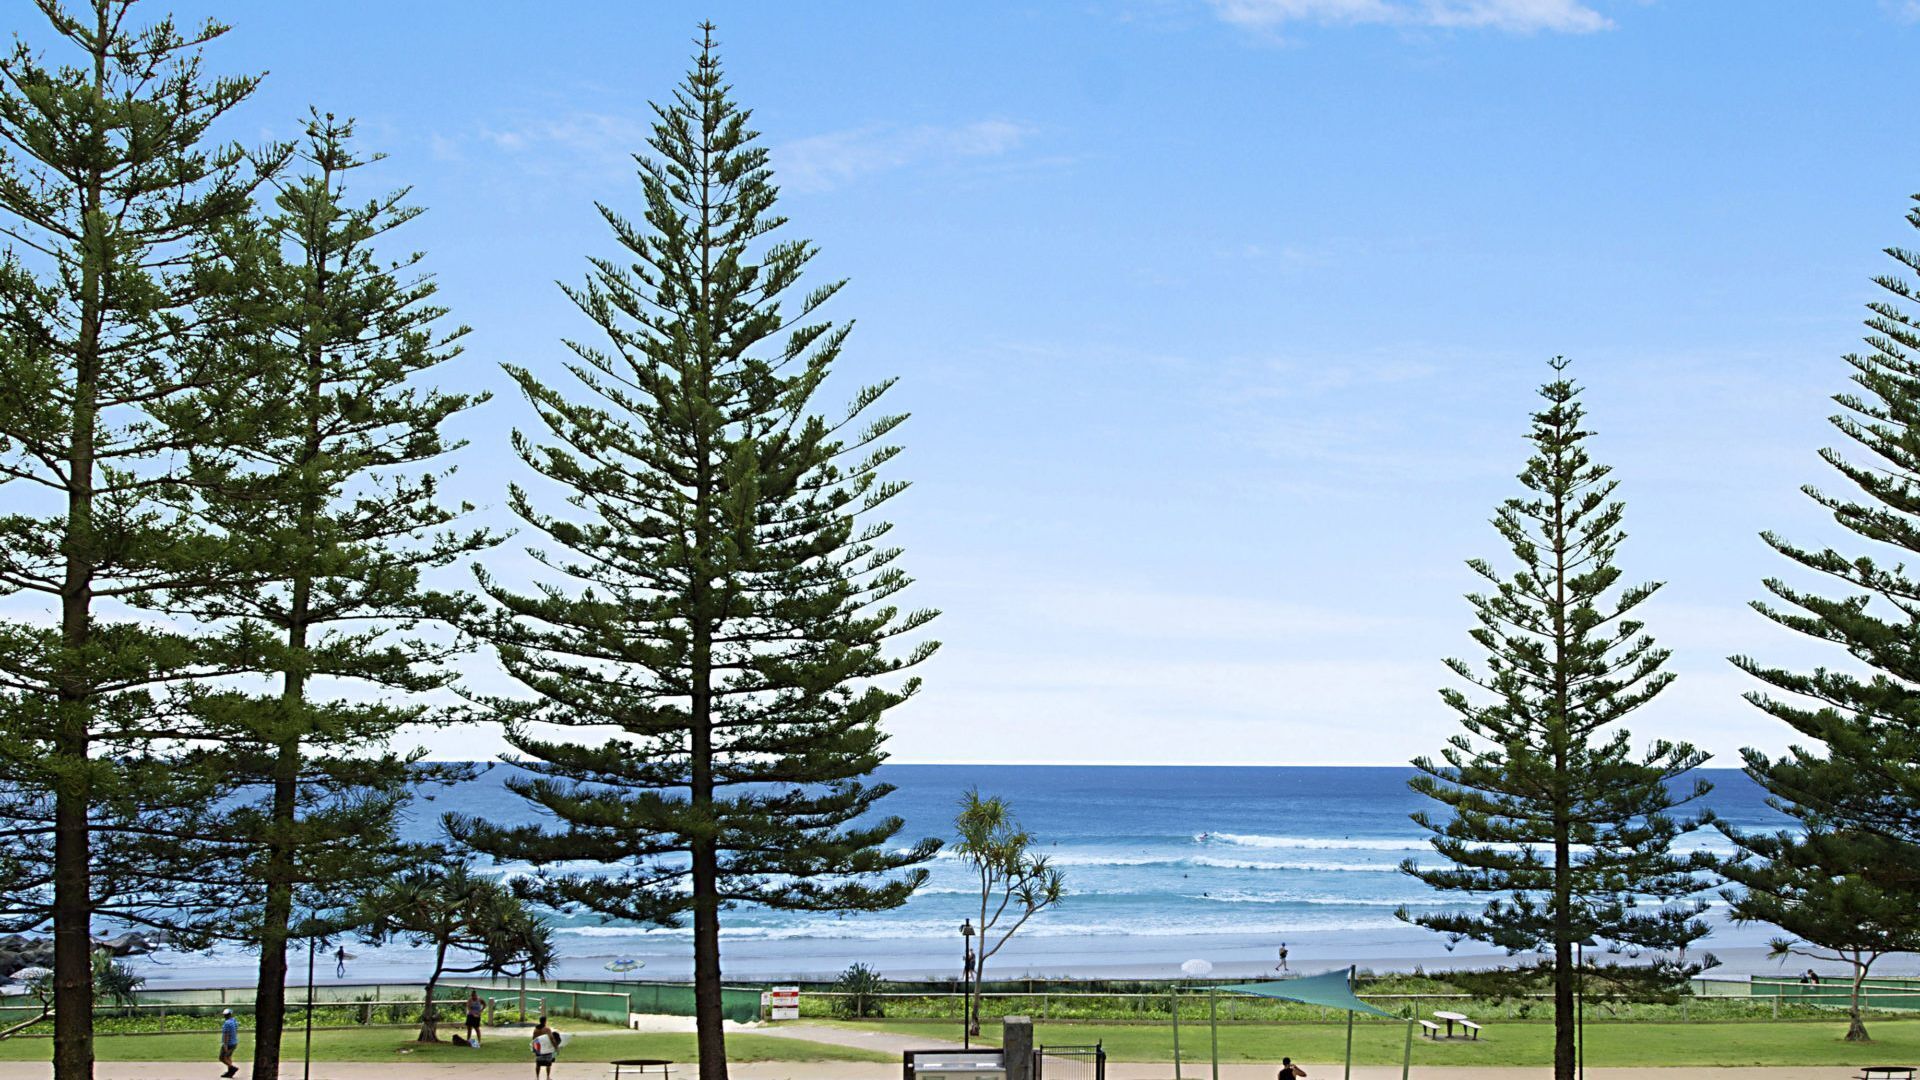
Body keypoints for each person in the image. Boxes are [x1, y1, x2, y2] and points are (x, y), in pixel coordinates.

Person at [218, 1008, 240, 1078]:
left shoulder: (227, 1023)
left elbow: (226, 1035)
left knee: (222, 1058)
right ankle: (230, 1072)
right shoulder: (234, 1021)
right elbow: (236, 1030)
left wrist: (225, 1045)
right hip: (234, 1042)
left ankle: (232, 1068)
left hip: (229, 1043)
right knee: (228, 1057)